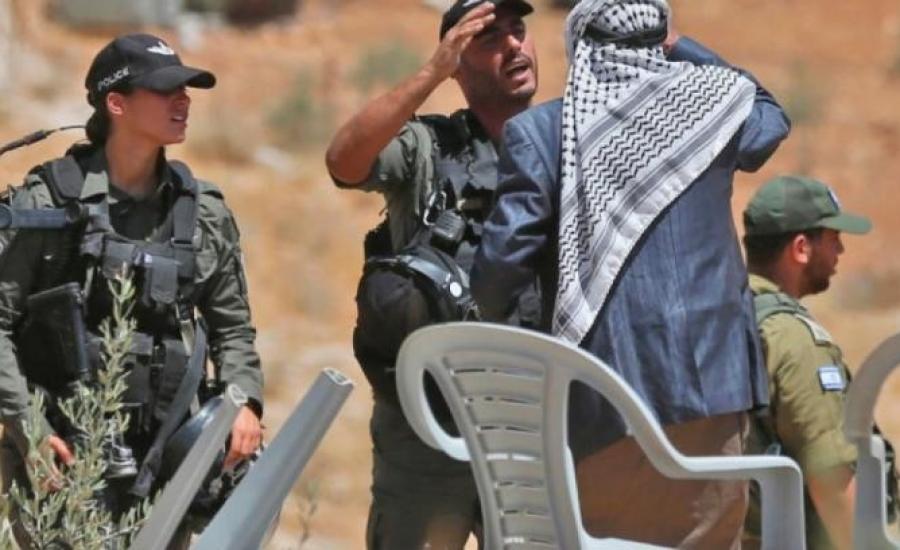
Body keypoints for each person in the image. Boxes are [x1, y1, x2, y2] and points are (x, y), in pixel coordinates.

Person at [470, 0, 790, 547]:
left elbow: (497, 275)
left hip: (600, 399)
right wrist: (681, 45)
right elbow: (768, 113)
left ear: (581, 51)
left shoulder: (542, 133)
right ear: (657, 44)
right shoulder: (709, 117)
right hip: (712, 386)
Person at [0, 33, 264, 546]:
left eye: (186, 90)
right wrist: (27, 427)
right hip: (62, 455)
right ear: (116, 104)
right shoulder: (48, 202)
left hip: (165, 457)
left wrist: (245, 402)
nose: (183, 101)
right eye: (165, 90)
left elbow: (233, 328)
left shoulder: (203, 212)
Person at [324, 0, 540, 547]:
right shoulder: (428, 146)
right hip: (427, 424)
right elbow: (344, 161)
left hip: (531, 419)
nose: (514, 45)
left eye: (518, 30)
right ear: (458, 65)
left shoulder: (562, 145)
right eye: (490, 38)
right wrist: (431, 73)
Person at [741, 175, 872, 550]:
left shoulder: (723, 314)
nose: (841, 250)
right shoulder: (794, 339)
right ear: (801, 248)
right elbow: (831, 483)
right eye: (833, 238)